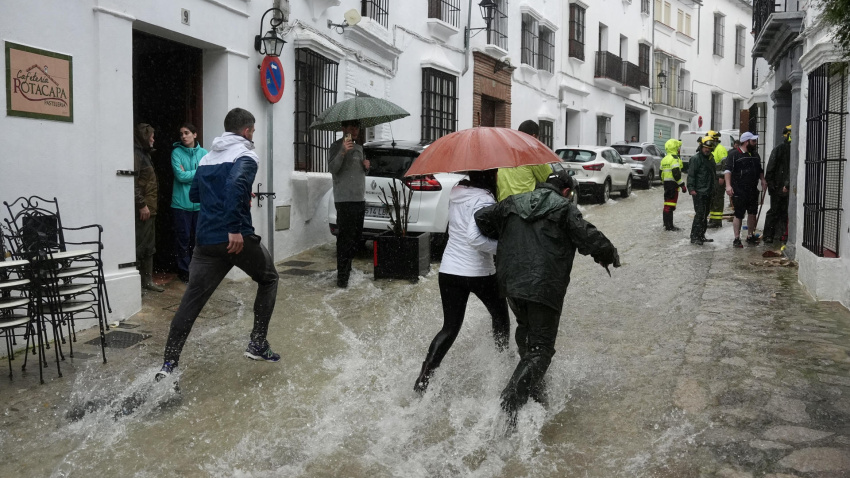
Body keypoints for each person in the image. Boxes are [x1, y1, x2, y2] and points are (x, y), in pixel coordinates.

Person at [475, 170, 619, 424]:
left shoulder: (512, 202)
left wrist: (507, 234)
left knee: (526, 332)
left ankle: (532, 392)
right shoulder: (564, 208)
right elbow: (589, 238)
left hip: (511, 283)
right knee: (541, 349)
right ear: (566, 191)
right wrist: (609, 255)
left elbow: (482, 218)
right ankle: (510, 401)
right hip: (544, 287)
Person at [155, 108, 280, 381]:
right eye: (253, 131)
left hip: (206, 241)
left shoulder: (208, 157)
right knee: (269, 278)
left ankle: (168, 365)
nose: (254, 135)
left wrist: (228, 198)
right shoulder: (246, 154)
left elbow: (196, 193)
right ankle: (258, 343)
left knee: (190, 302)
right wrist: (234, 227)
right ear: (246, 131)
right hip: (236, 238)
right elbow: (236, 184)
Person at [413, 169, 509, 394]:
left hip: (449, 270)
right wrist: (504, 248)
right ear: (489, 176)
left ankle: (424, 379)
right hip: (478, 271)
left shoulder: (457, 191)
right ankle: (502, 364)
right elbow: (474, 237)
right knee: (501, 319)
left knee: (450, 327)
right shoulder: (483, 198)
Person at [328, 119, 370, 288]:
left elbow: (360, 172)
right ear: (343, 128)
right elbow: (333, 168)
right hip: (344, 200)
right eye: (351, 127)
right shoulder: (335, 146)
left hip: (359, 198)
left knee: (356, 238)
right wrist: (343, 152)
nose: (354, 130)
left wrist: (366, 166)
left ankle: (348, 269)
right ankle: (342, 277)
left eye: (357, 127)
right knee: (344, 239)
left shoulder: (360, 148)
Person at [171, 123, 208, 283]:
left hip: (200, 204)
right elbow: (180, 176)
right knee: (183, 239)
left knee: (198, 239)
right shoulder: (176, 153)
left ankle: (197, 270)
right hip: (181, 204)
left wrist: (190, 173)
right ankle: (184, 271)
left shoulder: (205, 153)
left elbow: (206, 175)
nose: (183, 136)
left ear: (195, 135)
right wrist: (198, 172)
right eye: (181, 134)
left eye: (186, 133)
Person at [134, 123, 163, 293]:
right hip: (143, 209)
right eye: (151, 135)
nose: (153, 139)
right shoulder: (137, 155)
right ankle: (139, 283)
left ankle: (147, 281)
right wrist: (141, 204)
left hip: (150, 208)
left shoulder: (144, 154)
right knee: (140, 246)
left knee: (149, 246)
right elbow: (133, 183)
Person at [724, 131, 767, 248]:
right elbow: (728, 171)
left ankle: (750, 236)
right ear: (746, 142)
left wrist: (763, 180)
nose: (755, 143)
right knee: (739, 214)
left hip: (752, 189)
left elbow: (759, 169)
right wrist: (728, 186)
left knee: (752, 213)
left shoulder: (755, 155)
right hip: (739, 189)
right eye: (753, 141)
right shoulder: (734, 155)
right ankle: (737, 238)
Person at [496, 120, 554, 201]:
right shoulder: (533, 155)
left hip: (502, 206)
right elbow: (549, 180)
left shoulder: (506, 152)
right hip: (523, 207)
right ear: (534, 136)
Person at [763, 125, 792, 244]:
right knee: (775, 211)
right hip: (777, 186)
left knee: (784, 212)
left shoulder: (793, 149)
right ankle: (768, 235)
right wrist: (771, 184)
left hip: (784, 185)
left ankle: (779, 234)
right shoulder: (780, 149)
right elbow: (771, 167)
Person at [686, 136, 717, 246]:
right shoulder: (696, 159)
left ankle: (701, 235)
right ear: (701, 147)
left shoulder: (710, 158)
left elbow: (713, 175)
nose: (707, 149)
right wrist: (691, 189)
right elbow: (691, 175)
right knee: (699, 214)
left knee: (705, 214)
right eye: (705, 147)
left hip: (709, 191)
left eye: (709, 148)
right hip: (699, 191)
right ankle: (694, 237)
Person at [660, 138, 687, 231]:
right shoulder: (675, 159)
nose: (679, 149)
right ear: (675, 147)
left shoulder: (664, 159)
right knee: (670, 206)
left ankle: (666, 224)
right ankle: (669, 226)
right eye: (678, 147)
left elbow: (661, 173)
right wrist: (682, 185)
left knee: (667, 204)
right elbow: (676, 173)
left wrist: (664, 182)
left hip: (666, 184)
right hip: (673, 185)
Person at [707, 131, 728, 228]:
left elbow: (726, 165)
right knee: (713, 199)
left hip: (719, 179)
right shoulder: (713, 149)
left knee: (718, 199)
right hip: (712, 179)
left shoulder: (720, 149)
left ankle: (717, 221)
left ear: (715, 139)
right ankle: (713, 219)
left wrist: (722, 177)